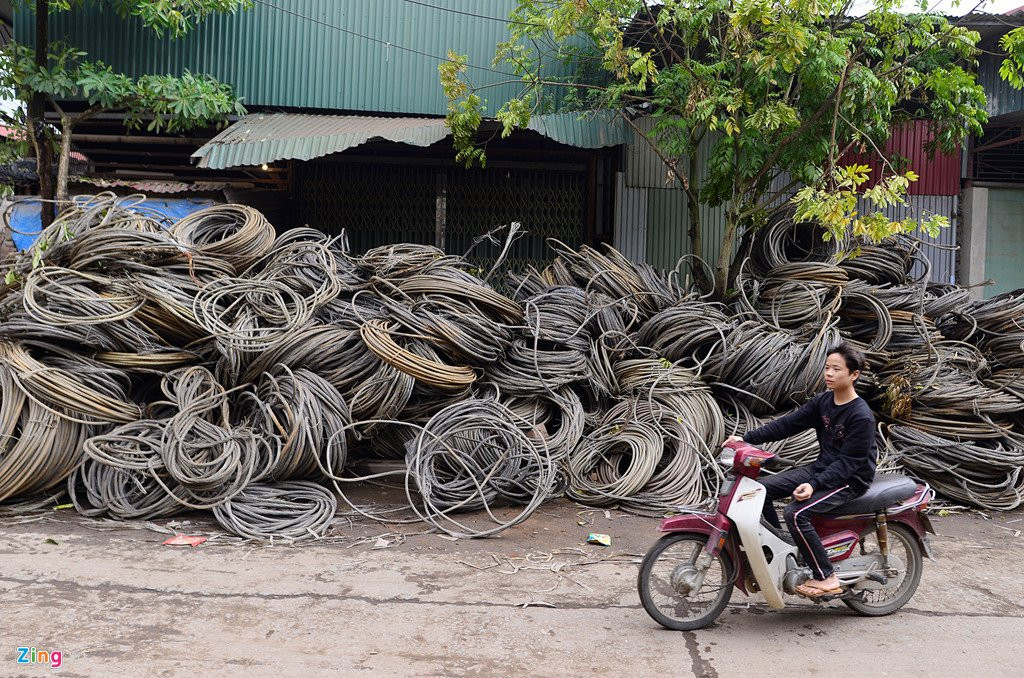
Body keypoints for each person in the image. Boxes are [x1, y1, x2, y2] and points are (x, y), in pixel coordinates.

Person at [723, 342, 876, 598]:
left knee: (795, 512)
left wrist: (814, 485)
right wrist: (746, 438)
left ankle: (826, 576)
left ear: (853, 375)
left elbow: (849, 463)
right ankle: (781, 547)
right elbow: (787, 424)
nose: (828, 373)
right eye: (827, 368)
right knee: (760, 490)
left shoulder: (861, 416)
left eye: (836, 369)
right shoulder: (823, 402)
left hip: (851, 478)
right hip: (823, 469)